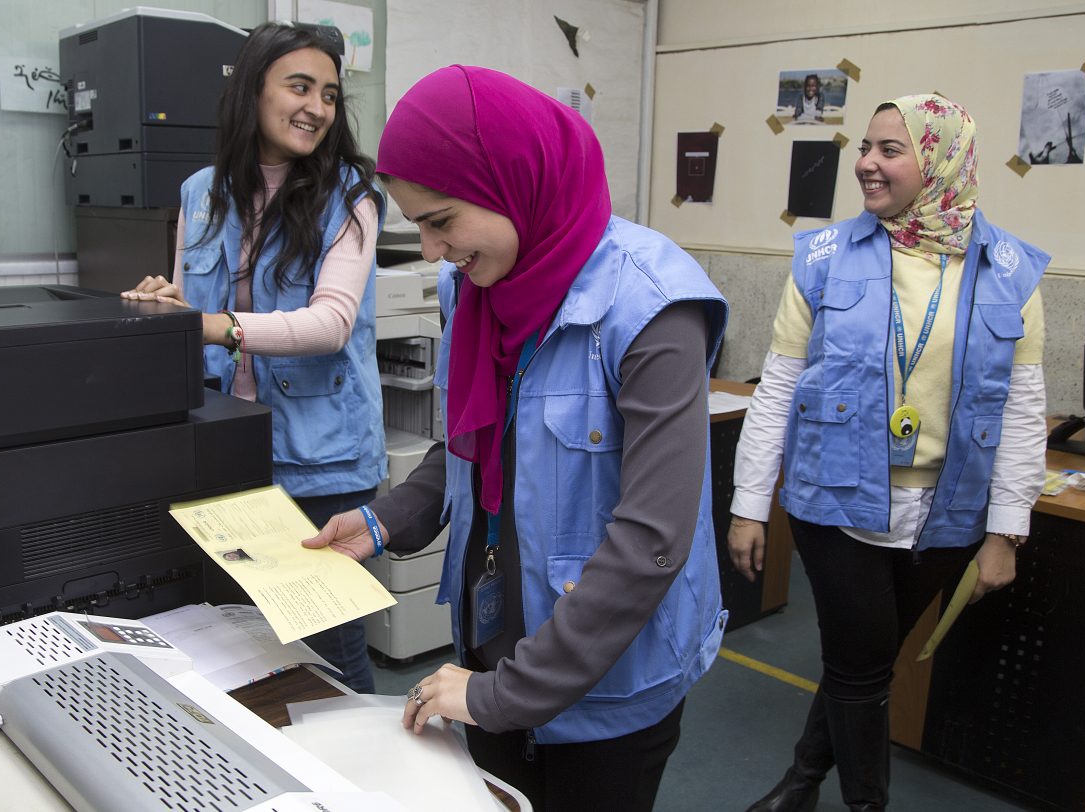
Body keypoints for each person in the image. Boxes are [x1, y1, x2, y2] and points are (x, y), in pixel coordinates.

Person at [301, 65, 729, 811]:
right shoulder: (473, 287)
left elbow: (653, 538)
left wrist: (508, 693)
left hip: (603, 690)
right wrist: (384, 519)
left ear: (510, 182)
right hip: (492, 655)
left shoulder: (653, 305)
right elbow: (475, 444)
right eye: (418, 228)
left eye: (441, 221)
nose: (432, 251)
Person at [728, 94, 1048, 811]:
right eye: (864, 148)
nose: (866, 165)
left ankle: (800, 782)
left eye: (888, 150)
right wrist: (750, 505)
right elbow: (776, 388)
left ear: (940, 162)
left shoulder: (1011, 272)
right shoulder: (823, 259)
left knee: (859, 663)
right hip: (835, 500)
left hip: (948, 512)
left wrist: (1006, 532)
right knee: (862, 664)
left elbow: (1024, 413)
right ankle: (866, 804)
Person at [122, 21, 386, 694]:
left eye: (329, 94)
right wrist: (163, 307)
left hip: (321, 460)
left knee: (330, 645)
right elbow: (193, 309)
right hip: (227, 444)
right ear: (252, 93)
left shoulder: (350, 193)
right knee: (242, 640)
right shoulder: (199, 192)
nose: (317, 108)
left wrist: (212, 325)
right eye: (299, 87)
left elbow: (330, 323)